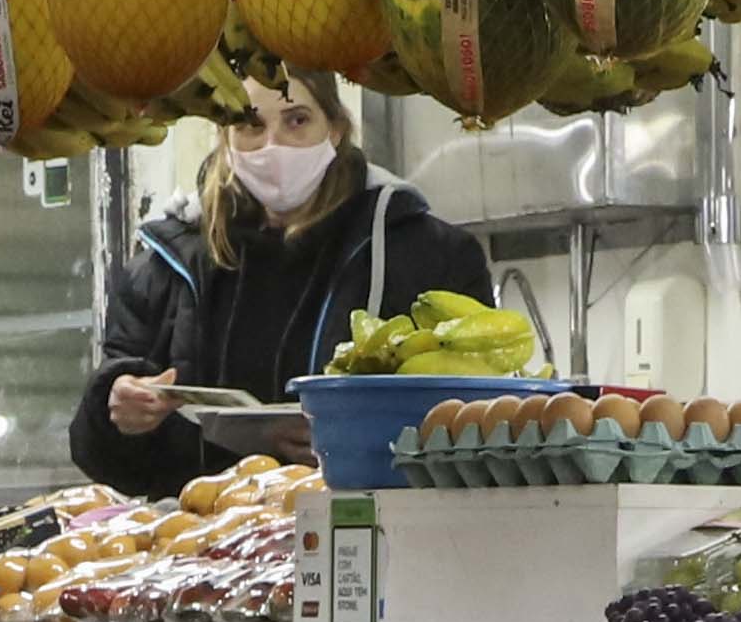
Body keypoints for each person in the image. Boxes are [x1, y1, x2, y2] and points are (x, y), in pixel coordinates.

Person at [67, 75, 498, 496]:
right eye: (251, 124)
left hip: (373, 538)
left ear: (335, 128)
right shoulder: (164, 265)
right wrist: (115, 407)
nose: (273, 145)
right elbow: (103, 459)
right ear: (225, 137)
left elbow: (475, 422)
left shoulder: (429, 256)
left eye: (296, 120)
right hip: (208, 546)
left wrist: (358, 440)